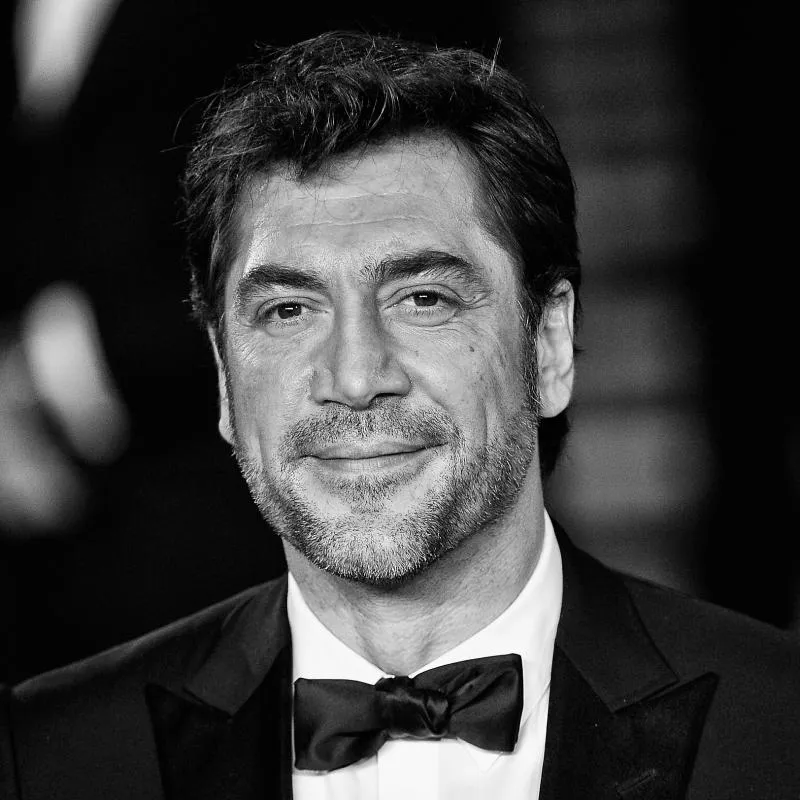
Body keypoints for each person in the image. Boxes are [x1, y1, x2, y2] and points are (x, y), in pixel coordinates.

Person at [2, 30, 798, 800]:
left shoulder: (778, 729)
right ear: (222, 377)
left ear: (550, 346)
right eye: (288, 310)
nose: (355, 378)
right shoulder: (48, 760)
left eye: (423, 299)